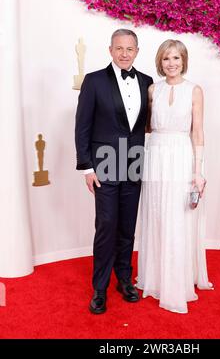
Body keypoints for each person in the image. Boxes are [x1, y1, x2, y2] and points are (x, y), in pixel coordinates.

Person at [75, 29, 153, 314]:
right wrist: (86, 166)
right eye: (118, 48)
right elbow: (82, 125)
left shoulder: (147, 82)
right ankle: (99, 288)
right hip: (104, 164)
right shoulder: (94, 81)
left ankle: (124, 279)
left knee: (127, 227)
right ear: (110, 50)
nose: (124, 53)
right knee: (106, 226)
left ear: (137, 51)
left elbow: (146, 125)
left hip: (134, 161)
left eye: (129, 49)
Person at [136, 39, 213, 314]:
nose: (171, 63)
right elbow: (142, 129)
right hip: (155, 155)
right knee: (157, 215)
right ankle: (155, 279)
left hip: (181, 155)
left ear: (184, 61)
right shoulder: (152, 90)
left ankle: (177, 283)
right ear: (160, 61)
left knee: (178, 217)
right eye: (167, 58)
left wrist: (198, 170)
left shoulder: (195, 90)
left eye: (176, 58)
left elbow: (198, 132)